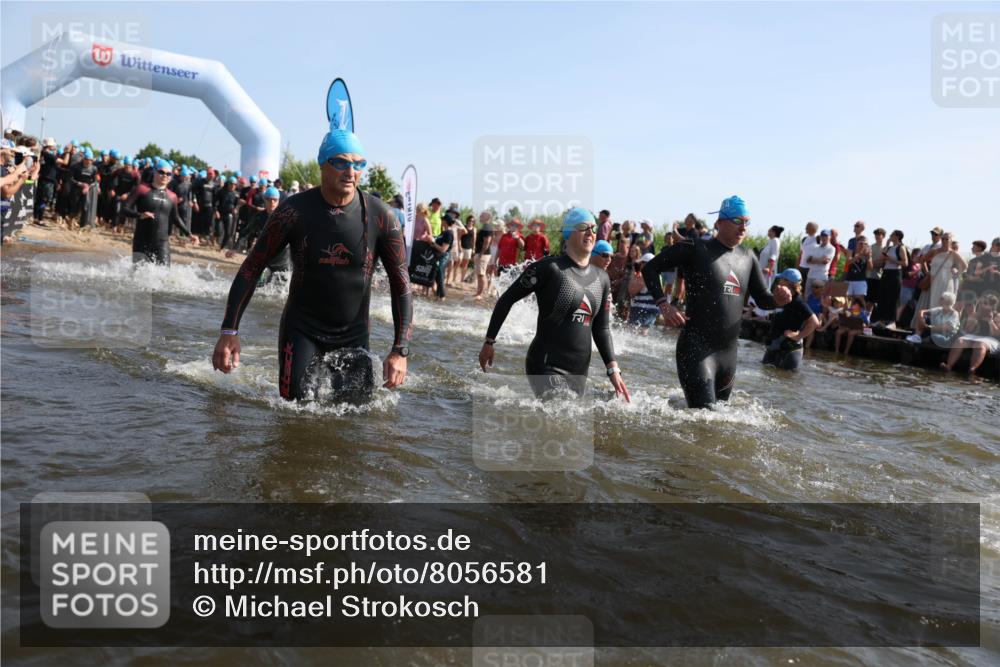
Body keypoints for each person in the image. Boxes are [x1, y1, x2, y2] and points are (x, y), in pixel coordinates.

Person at [213, 120, 412, 402]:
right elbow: (252, 267)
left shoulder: (381, 216)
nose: (351, 171)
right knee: (293, 412)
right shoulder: (293, 211)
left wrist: (399, 350)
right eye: (341, 162)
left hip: (354, 336)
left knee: (354, 420)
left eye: (358, 164)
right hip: (302, 330)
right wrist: (229, 331)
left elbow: (401, 284)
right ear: (322, 164)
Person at [642, 195, 790, 409]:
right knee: (704, 418)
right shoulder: (695, 248)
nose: (743, 227)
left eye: (747, 222)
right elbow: (650, 268)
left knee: (717, 423)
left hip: (728, 356)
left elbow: (764, 300)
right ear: (720, 222)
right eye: (737, 221)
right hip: (696, 350)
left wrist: (778, 299)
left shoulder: (748, 257)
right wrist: (664, 305)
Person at [479, 208, 629, 401]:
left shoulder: (602, 278)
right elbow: (507, 299)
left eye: (593, 228)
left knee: (567, 424)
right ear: (568, 233)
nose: (591, 233)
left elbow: (601, 328)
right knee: (558, 414)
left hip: (579, 371)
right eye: (584, 227)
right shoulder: (549, 268)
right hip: (546, 364)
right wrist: (489, 342)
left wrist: (613, 369)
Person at [122, 159, 195, 265]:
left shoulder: (172, 196)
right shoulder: (142, 189)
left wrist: (189, 234)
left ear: (171, 177)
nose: (164, 176)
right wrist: (140, 215)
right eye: (161, 172)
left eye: (168, 174)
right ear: (155, 172)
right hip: (141, 240)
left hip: (162, 243)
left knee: (164, 276)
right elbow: (124, 209)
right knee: (138, 276)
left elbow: (175, 218)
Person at [761, 269, 819, 370]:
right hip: (775, 345)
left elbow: (815, 322)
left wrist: (798, 336)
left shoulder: (798, 302)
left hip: (790, 349)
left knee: (786, 379)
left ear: (788, 282)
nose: (779, 281)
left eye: (781, 279)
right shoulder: (780, 298)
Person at [942, 294, 1000, 374]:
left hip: (990, 339)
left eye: (986, 304)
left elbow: (996, 334)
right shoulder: (975, 314)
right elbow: (968, 330)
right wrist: (976, 318)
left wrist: (990, 321)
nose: (982, 305)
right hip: (973, 336)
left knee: (980, 344)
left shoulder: (997, 316)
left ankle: (972, 369)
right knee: (960, 341)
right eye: (982, 303)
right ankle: (949, 365)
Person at [871, 230, 908, 325]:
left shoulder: (901, 247)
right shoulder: (890, 247)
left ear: (897, 236)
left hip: (895, 273)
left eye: (892, 235)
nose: (890, 236)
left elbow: (905, 263)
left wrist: (891, 260)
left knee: (892, 297)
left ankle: (891, 320)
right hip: (886, 272)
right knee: (883, 296)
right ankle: (880, 319)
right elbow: (880, 257)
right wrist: (887, 245)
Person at [627, 252, 659, 334]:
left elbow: (631, 291)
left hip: (645, 309)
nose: (639, 266)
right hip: (648, 309)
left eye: (641, 263)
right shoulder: (656, 274)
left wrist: (633, 273)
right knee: (641, 332)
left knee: (633, 331)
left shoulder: (645, 276)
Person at [843, 235, 873, 304]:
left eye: (865, 244)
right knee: (847, 301)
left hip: (861, 280)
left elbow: (870, 268)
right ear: (857, 243)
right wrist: (859, 255)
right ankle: (847, 314)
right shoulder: (851, 252)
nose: (863, 245)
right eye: (861, 243)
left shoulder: (867, 254)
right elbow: (848, 262)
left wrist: (868, 258)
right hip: (849, 280)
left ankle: (861, 314)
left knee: (860, 301)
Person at [473, 211, 495, 299]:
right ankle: (478, 292)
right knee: (480, 274)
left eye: (482, 215)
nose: (480, 216)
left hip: (483, 254)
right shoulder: (485, 227)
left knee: (482, 274)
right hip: (482, 253)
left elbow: (487, 242)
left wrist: (481, 254)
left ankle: (480, 294)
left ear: (487, 217)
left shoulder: (487, 227)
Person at [431, 214, 454, 299]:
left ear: (446, 221)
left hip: (443, 256)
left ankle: (442, 296)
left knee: (440, 274)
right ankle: (438, 295)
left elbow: (443, 249)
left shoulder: (448, 233)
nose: (441, 221)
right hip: (439, 256)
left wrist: (432, 243)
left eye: (443, 219)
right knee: (437, 274)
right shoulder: (444, 232)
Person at [797, 222, 820, 288]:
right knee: (800, 287)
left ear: (813, 229)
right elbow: (801, 254)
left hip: (812, 269)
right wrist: (797, 268)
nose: (805, 228)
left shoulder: (818, 239)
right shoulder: (804, 239)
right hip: (802, 267)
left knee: (809, 288)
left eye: (807, 227)